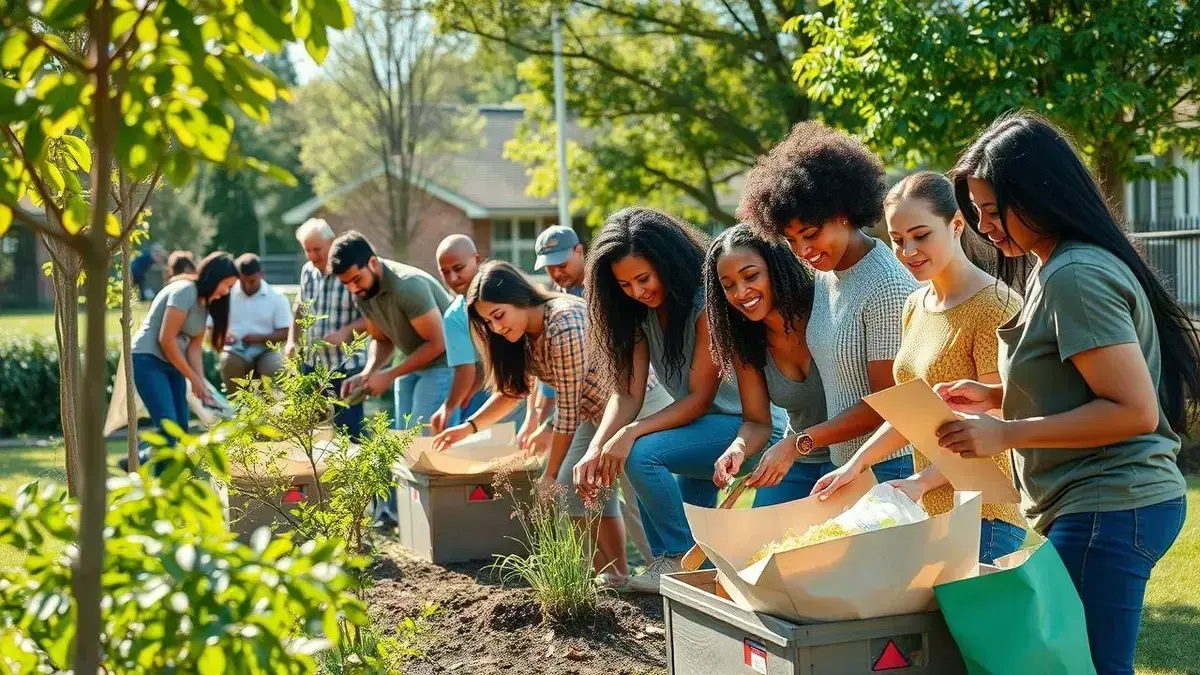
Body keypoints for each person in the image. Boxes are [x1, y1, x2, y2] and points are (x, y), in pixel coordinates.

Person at [934, 113, 1197, 674]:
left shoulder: (1073, 273)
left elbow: (1131, 409)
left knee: (1087, 669)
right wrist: (994, 394)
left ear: (1037, 193)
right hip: (1101, 504)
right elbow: (1075, 386)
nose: (985, 227)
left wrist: (1004, 434)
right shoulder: (1052, 265)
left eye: (991, 209)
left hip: (1109, 503)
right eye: (976, 213)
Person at [810, 171, 1027, 564]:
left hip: (984, 517)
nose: (908, 250)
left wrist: (920, 482)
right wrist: (856, 466)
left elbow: (992, 423)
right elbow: (913, 411)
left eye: (920, 235)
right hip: (931, 511)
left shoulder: (994, 306)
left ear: (957, 224)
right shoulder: (915, 305)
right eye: (897, 240)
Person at [573, 207, 787, 594]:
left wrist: (630, 434)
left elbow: (701, 399)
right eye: (624, 285)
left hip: (748, 431)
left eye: (643, 278)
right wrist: (596, 447)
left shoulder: (706, 306)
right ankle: (674, 570)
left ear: (667, 263)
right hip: (703, 433)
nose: (638, 292)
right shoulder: (637, 315)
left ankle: (675, 559)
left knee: (639, 452)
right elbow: (625, 393)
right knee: (639, 467)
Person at [432, 261, 673, 588]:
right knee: (576, 490)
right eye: (488, 322)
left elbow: (568, 410)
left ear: (519, 297)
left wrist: (547, 475)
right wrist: (469, 427)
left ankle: (671, 581)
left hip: (636, 404)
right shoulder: (522, 336)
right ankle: (616, 577)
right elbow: (512, 393)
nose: (496, 327)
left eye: (498, 315)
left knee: (640, 497)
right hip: (595, 412)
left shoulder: (564, 322)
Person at [738, 121, 917, 483]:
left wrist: (800, 443)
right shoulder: (826, 273)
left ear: (843, 213)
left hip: (891, 466)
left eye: (811, 235)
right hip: (846, 465)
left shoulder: (887, 286)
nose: (803, 251)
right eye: (790, 240)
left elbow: (889, 406)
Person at [329, 230, 460, 529]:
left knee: (422, 439)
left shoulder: (407, 288)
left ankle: (439, 521)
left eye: (355, 279)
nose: (352, 288)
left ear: (372, 263)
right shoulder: (364, 292)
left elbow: (438, 343)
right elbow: (383, 340)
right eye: (345, 283)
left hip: (445, 363)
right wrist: (369, 373)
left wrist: (389, 375)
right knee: (403, 442)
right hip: (412, 361)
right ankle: (405, 517)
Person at [704, 225, 834, 505]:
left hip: (850, 456)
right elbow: (758, 423)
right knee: (761, 544)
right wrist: (737, 448)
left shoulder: (824, 307)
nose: (741, 292)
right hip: (799, 459)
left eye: (751, 276)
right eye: (728, 286)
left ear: (775, 268)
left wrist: (795, 447)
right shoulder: (747, 341)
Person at [130, 252, 238, 468]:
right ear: (214, 277)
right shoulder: (184, 291)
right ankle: (151, 479)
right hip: (148, 360)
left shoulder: (204, 303)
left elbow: (194, 349)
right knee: (168, 429)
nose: (226, 292)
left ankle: (140, 462)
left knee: (180, 431)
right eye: (226, 286)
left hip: (172, 365)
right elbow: (166, 339)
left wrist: (201, 384)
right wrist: (193, 380)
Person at [285, 218, 369, 440]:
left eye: (317, 249)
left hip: (346, 365)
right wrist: (292, 340)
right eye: (307, 250)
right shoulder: (307, 271)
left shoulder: (350, 272)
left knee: (350, 432)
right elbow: (300, 307)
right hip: (314, 364)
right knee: (315, 433)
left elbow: (373, 319)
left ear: (331, 242)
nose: (312, 256)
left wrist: (345, 332)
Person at [432, 234, 525, 432]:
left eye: (458, 269)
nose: (453, 278)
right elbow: (472, 369)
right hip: (500, 388)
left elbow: (466, 370)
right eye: (445, 272)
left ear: (477, 259)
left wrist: (449, 407)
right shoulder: (456, 315)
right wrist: (461, 399)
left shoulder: (505, 289)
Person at [219, 253, 292, 393]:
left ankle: (274, 409)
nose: (247, 286)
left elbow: (285, 332)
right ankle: (239, 408)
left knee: (275, 367)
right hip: (236, 350)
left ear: (261, 274)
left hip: (267, 350)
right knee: (228, 361)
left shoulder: (276, 297)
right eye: (242, 281)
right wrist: (224, 337)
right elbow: (212, 327)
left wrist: (258, 338)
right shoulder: (227, 295)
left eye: (251, 281)